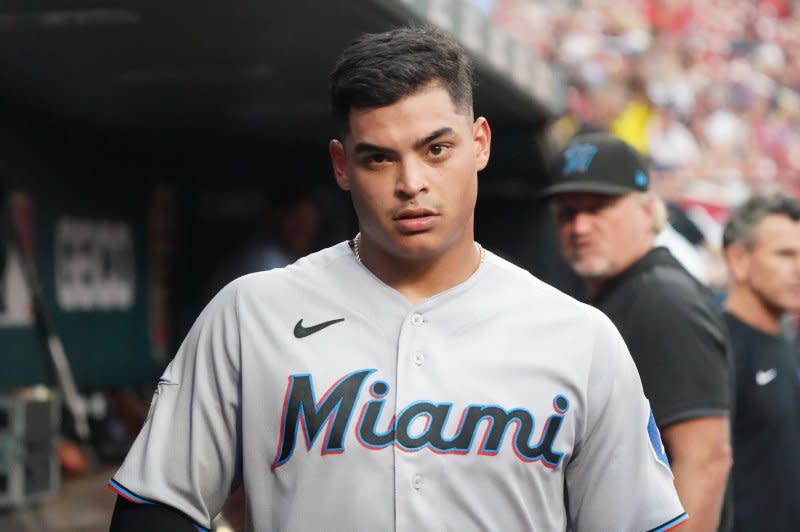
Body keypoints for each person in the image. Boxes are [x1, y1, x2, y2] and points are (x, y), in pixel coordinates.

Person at [107, 27, 686, 531]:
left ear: (479, 143)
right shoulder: (251, 312)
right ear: (341, 165)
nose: (412, 182)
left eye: (437, 149)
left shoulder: (579, 336)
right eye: (379, 158)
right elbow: (155, 506)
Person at [542, 132, 733, 532]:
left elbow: (705, 459)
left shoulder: (662, 300)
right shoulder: (618, 295)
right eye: (567, 211)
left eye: (599, 208)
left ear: (648, 211)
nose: (580, 226)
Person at [721, 194, 800, 532]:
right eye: (785, 255)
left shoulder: (787, 340)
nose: (798, 268)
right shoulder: (715, 347)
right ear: (738, 260)